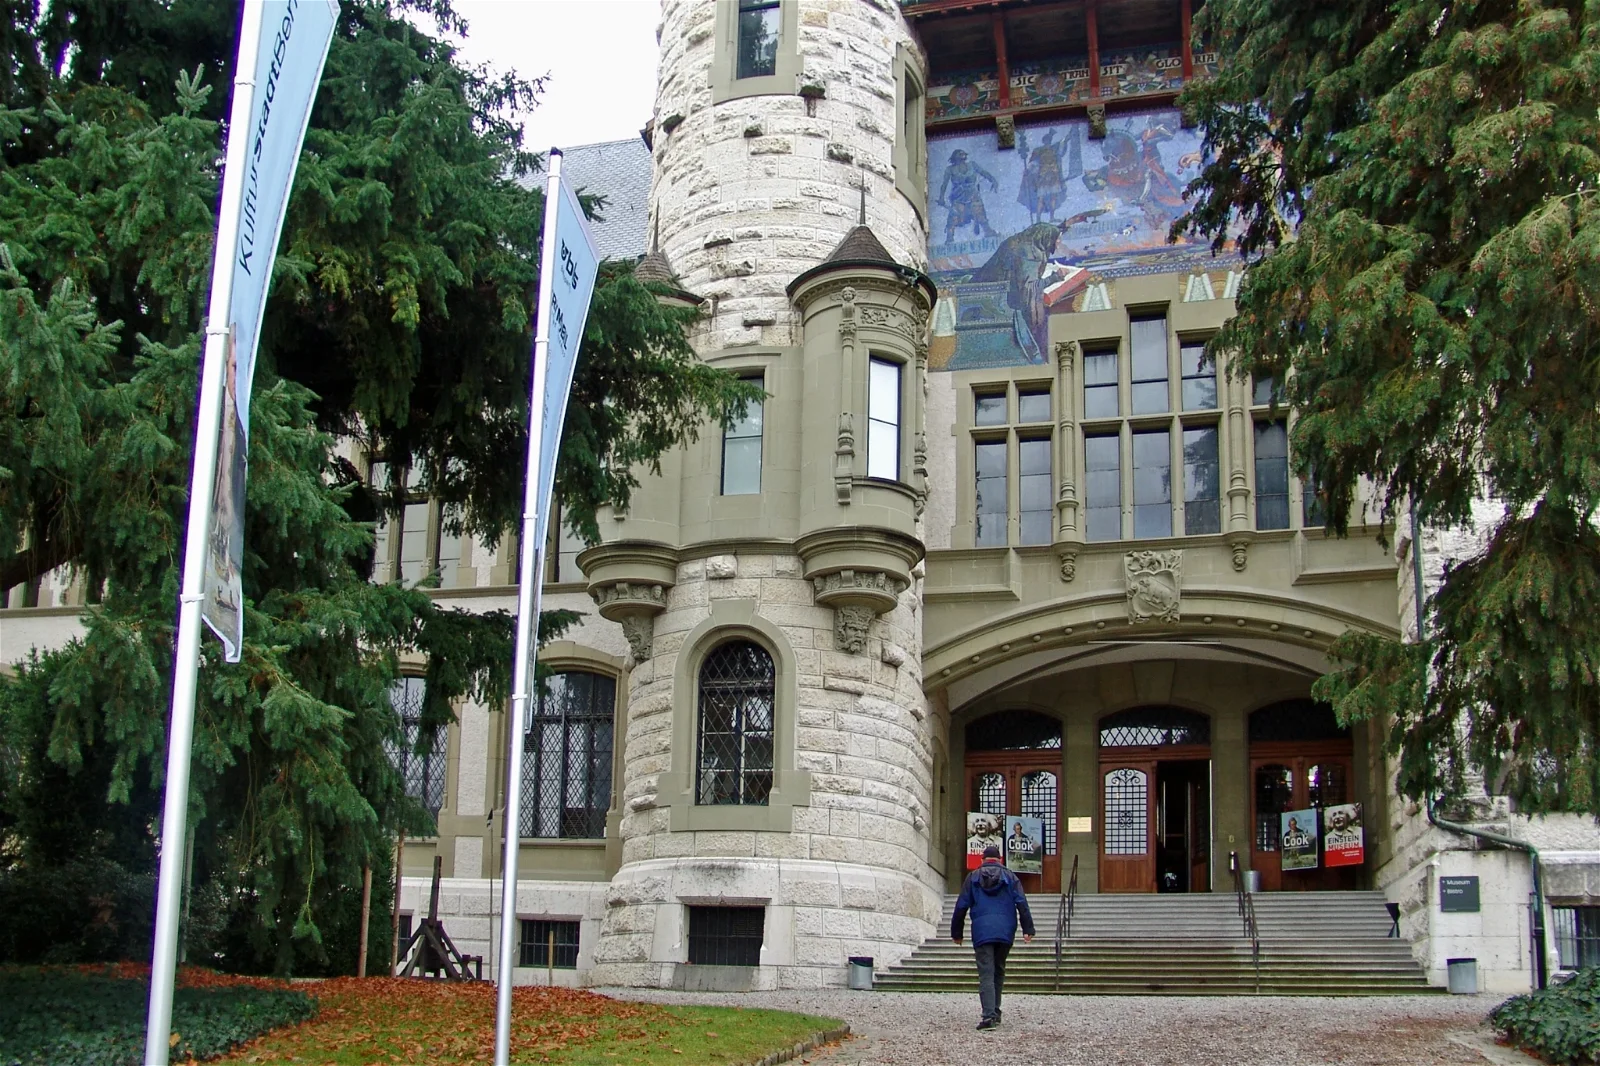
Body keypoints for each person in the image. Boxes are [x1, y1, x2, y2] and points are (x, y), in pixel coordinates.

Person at [950, 844, 1035, 1031]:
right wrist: (1028, 929)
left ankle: (988, 1016)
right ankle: (995, 1011)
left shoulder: (972, 878)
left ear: (982, 860)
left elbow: (961, 906)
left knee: (986, 973)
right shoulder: (1011, 877)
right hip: (1005, 930)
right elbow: (1022, 903)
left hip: (982, 930)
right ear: (1000, 860)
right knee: (999, 969)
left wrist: (957, 932)